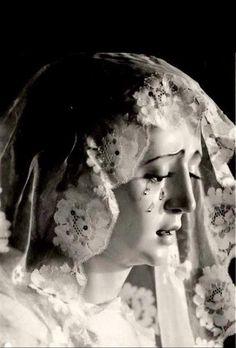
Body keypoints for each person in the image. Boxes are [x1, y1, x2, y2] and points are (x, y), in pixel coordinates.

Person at [0, 53, 235, 347]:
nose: (187, 202)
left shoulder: (129, 332)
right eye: (157, 175)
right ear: (79, 181)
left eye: (191, 172)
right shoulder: (15, 327)